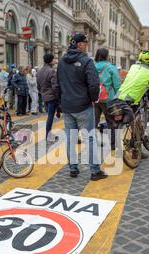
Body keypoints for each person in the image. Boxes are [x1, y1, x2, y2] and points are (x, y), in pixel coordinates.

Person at [57, 33, 107, 181]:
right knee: (89, 139)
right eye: (85, 42)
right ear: (79, 44)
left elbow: (57, 85)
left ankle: (73, 169)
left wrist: (61, 103)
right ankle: (95, 171)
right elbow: (93, 84)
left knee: (71, 139)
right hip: (83, 106)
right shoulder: (86, 61)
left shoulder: (61, 62)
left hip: (67, 106)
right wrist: (92, 100)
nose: (86, 45)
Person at [94, 48, 121, 148]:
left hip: (95, 97)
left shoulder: (92, 66)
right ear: (107, 56)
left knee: (94, 121)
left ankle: (92, 142)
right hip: (109, 98)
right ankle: (113, 144)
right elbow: (117, 84)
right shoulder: (110, 67)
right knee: (111, 121)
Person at [37, 53, 60, 139]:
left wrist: (43, 93)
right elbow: (55, 86)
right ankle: (48, 135)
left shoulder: (39, 71)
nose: (55, 60)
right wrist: (58, 97)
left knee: (49, 115)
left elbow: (38, 86)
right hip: (52, 97)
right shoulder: (51, 71)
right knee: (50, 116)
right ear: (50, 60)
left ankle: (48, 134)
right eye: (54, 59)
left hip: (45, 96)